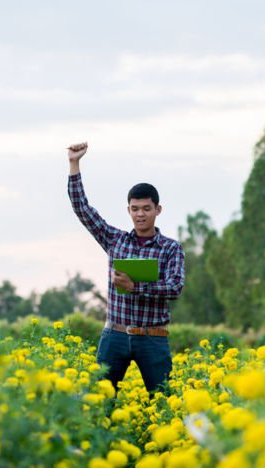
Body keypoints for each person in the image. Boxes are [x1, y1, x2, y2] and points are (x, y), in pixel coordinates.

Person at [67, 141, 185, 395]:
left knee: (164, 403)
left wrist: (135, 287)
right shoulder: (115, 240)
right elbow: (83, 210)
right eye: (135, 209)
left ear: (157, 210)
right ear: (128, 210)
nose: (140, 214)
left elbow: (175, 287)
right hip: (115, 335)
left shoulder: (170, 248)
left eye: (146, 209)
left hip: (153, 338)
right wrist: (74, 164)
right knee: (99, 403)